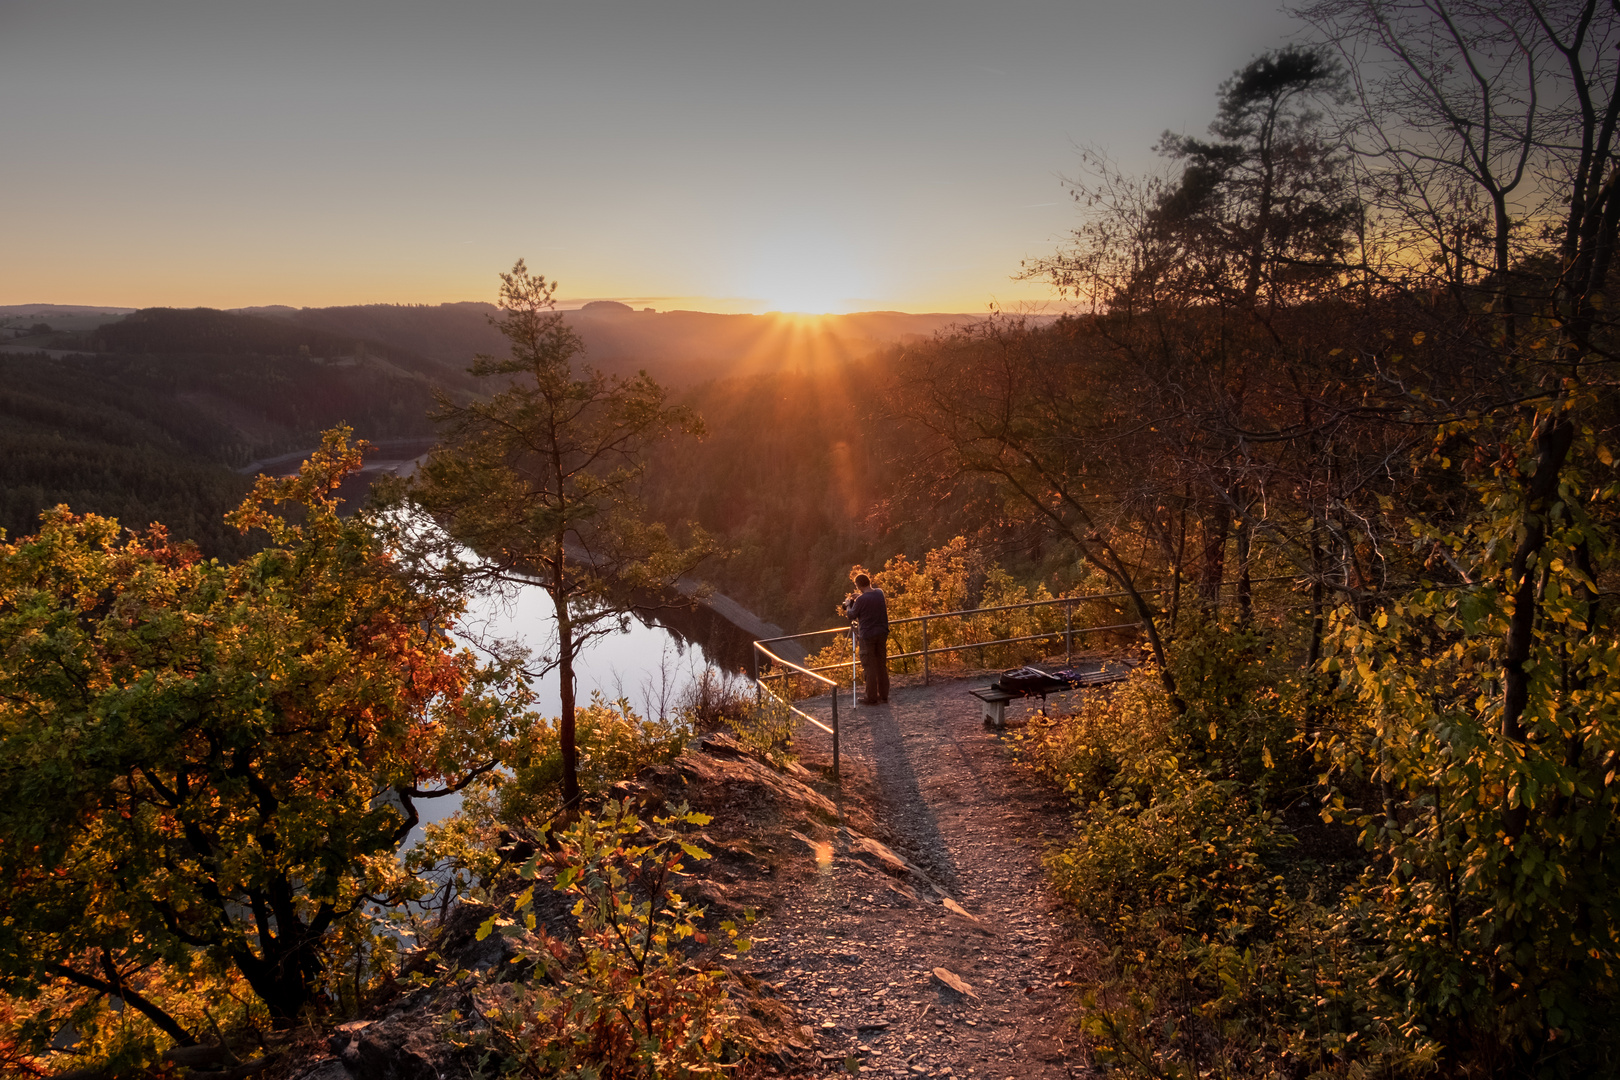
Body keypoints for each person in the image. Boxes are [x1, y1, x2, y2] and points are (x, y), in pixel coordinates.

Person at [842, 573, 890, 705]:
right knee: (881, 664)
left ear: (858, 585)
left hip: (867, 636)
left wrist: (848, 605)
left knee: (869, 666)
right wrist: (860, 598)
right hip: (882, 633)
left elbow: (852, 615)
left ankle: (871, 697)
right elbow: (869, 599)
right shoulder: (879, 593)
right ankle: (884, 695)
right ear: (869, 581)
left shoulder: (861, 600)